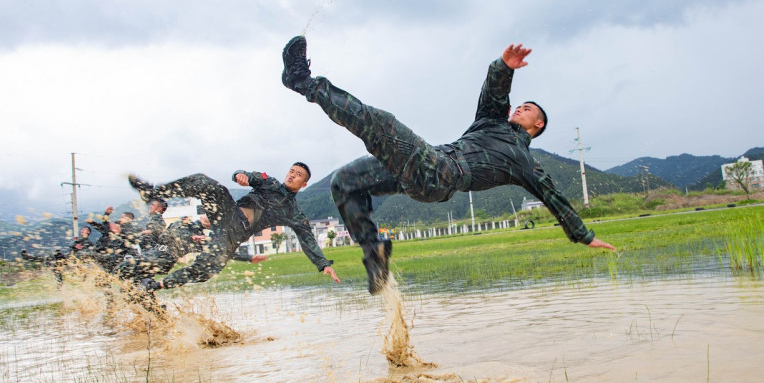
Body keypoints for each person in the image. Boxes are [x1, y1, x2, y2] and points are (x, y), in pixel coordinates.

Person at [281, 35, 616, 294]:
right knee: (345, 183)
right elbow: (494, 92)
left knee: (379, 123)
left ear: (537, 125)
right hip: (428, 165)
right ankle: (376, 256)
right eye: (520, 105)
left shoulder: (524, 161)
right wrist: (505, 66)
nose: (519, 109)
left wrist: (583, 235)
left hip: (442, 174)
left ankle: (301, 81)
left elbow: (552, 196)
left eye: (527, 109)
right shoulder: (491, 122)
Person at [127, 162, 340, 291]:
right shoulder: (270, 182)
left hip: (231, 237)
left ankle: (153, 286)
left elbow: (307, 239)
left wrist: (323, 264)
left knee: (206, 269)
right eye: (292, 171)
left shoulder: (294, 213)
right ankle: (153, 192)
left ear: (303, 185)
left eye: (298, 175)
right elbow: (248, 175)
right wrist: (241, 175)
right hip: (227, 213)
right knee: (206, 184)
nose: (292, 175)